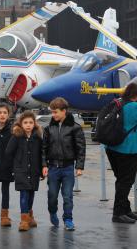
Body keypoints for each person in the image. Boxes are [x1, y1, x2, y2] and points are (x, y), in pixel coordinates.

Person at [105, 83, 137, 224]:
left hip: (114, 148)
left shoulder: (119, 103)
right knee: (126, 182)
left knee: (121, 181)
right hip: (129, 150)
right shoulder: (134, 106)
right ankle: (118, 213)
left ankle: (125, 210)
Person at [42, 97, 86, 231]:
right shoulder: (48, 129)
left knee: (68, 196)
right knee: (52, 196)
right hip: (53, 168)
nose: (53, 115)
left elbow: (81, 148)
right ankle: (53, 212)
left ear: (64, 111)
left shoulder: (75, 128)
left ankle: (68, 219)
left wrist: (79, 166)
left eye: (55, 112)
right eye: (52, 112)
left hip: (67, 168)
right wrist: (44, 165)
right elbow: (43, 148)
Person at [5, 110, 43, 232]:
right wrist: (13, 168)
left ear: (34, 124)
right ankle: (24, 220)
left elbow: (42, 154)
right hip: (20, 171)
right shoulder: (16, 137)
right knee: (24, 194)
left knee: (31, 194)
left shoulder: (37, 138)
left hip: (34, 171)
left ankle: (29, 215)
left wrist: (42, 169)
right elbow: (8, 152)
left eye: (30, 122)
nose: (28, 125)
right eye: (25, 122)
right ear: (21, 124)